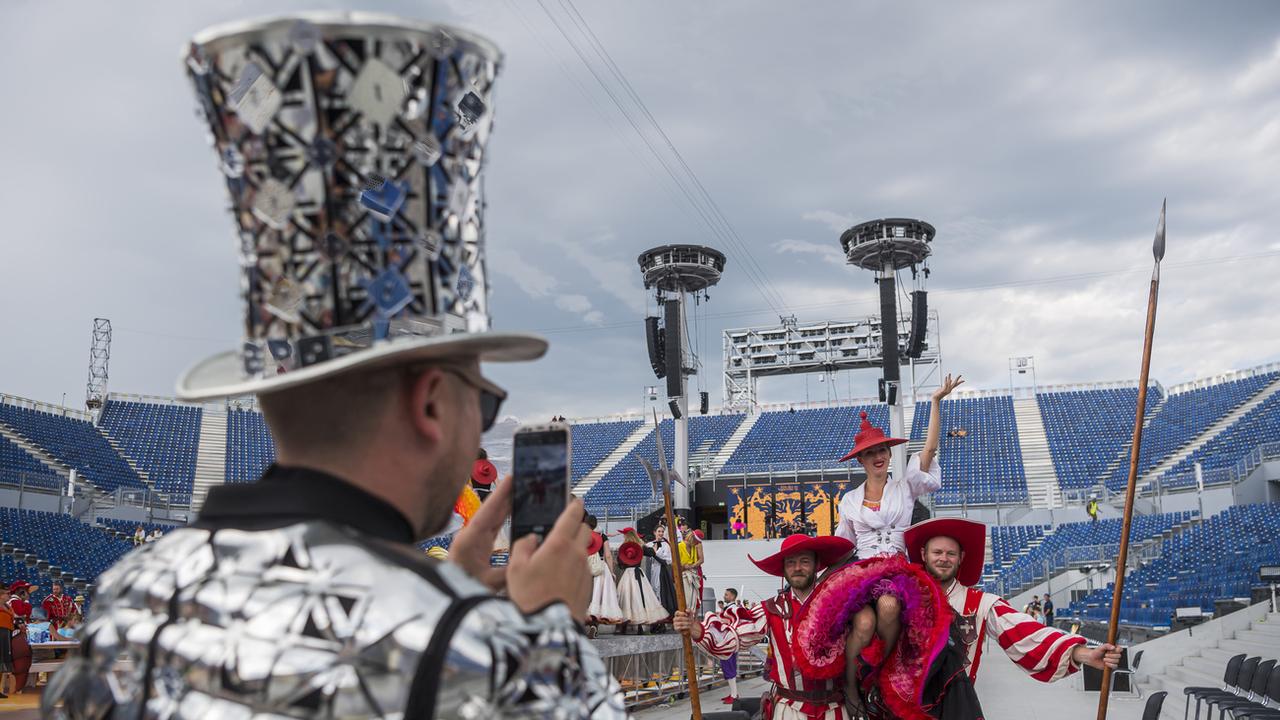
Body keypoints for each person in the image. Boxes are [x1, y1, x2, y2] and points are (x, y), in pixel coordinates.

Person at [44, 27, 625, 709]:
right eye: (484, 404)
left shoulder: (126, 599)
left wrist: (445, 585)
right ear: (432, 402)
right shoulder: (490, 656)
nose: (480, 437)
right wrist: (548, 634)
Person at [833, 374, 963, 684]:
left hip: (897, 570)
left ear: (890, 455)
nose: (877, 457)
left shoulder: (905, 487)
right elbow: (842, 544)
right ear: (860, 460)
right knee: (863, 624)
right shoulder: (849, 500)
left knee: (890, 606)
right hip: (862, 570)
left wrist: (935, 402)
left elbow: (928, 452)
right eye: (869, 453)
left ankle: (884, 672)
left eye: (882, 451)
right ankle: (851, 683)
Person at [904, 517, 1121, 687]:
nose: (944, 558)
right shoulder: (901, 596)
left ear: (961, 558)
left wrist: (1085, 654)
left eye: (951, 553)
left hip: (955, 708)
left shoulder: (981, 603)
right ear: (923, 554)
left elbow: (1027, 634)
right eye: (937, 552)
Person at [674, 535, 858, 719]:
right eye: (791, 563)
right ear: (784, 569)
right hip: (789, 712)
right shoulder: (771, 609)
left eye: (804, 561)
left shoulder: (837, 603)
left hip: (835, 709)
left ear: (817, 565)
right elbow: (731, 639)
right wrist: (695, 628)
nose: (797, 568)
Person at [615, 528, 669, 632]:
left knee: (627, 599)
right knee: (641, 598)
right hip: (639, 574)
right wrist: (654, 547)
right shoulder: (640, 546)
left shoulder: (624, 548)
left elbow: (620, 564)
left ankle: (624, 627)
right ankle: (640, 627)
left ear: (626, 535)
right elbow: (651, 553)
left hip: (627, 574)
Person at [587, 531, 624, 633]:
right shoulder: (602, 536)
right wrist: (612, 572)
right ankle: (594, 625)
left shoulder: (582, 534)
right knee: (598, 597)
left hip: (585, 566)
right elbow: (608, 555)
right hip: (600, 567)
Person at [644, 524, 679, 619]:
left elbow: (667, 561)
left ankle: (662, 617)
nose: (661, 533)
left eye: (662, 532)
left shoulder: (666, 545)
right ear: (654, 532)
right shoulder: (649, 544)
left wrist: (654, 554)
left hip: (661, 571)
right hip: (650, 571)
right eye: (659, 531)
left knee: (661, 591)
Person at [717, 588, 742, 706]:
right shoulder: (729, 609)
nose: (724, 596)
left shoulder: (733, 609)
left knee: (729, 667)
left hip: (729, 642)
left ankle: (734, 695)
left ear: (732, 596)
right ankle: (733, 693)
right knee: (727, 667)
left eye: (726, 595)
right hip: (727, 641)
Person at [678, 528, 705, 614]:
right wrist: (685, 566)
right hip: (683, 575)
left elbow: (699, 560)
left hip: (693, 574)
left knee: (694, 599)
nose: (697, 544)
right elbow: (675, 562)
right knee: (686, 598)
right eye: (697, 542)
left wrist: (691, 566)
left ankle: (692, 619)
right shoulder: (680, 546)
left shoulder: (693, 547)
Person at [0, 587, 12, 698]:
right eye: (6, 594)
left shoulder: (8, 606)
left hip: (6, 633)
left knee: (2, 662)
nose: (9, 595)